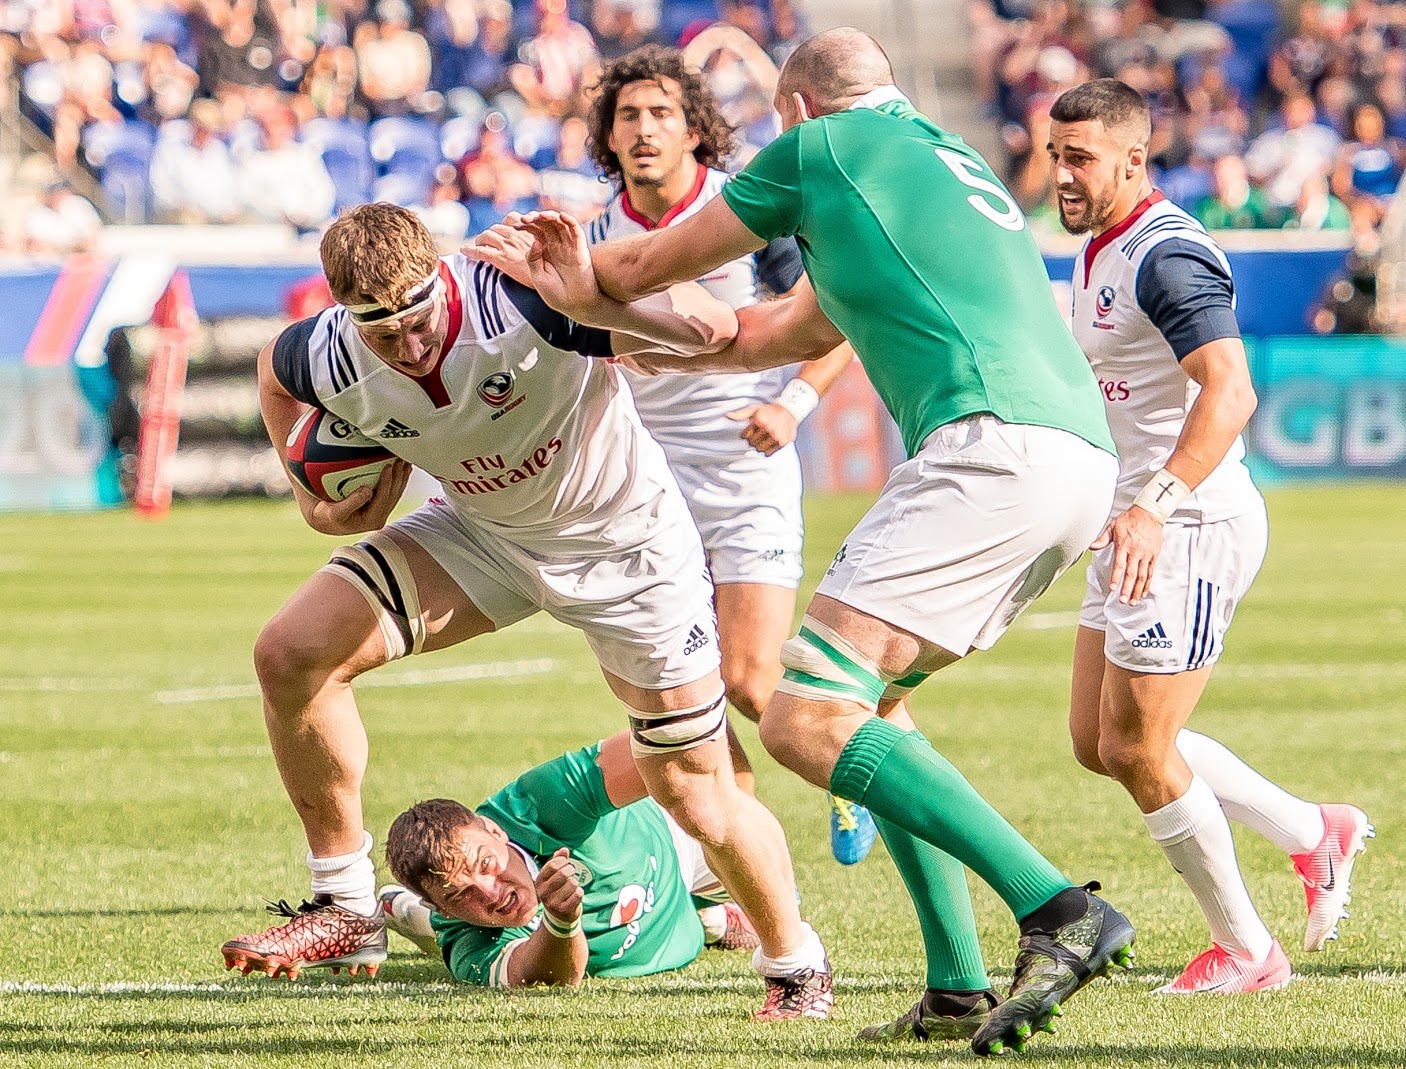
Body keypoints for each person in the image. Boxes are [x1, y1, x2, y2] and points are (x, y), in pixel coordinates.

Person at [519, 27, 1134, 1056]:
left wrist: (572, 288)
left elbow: (653, 260)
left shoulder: (817, 150)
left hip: (991, 447)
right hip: (1069, 458)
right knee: (870, 705)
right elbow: (754, 336)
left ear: (797, 110)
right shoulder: (938, 158)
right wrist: (620, 331)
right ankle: (953, 983)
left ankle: (1056, 906)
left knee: (800, 716)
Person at [219, 202, 832, 1020]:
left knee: (695, 790)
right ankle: (346, 905)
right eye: (380, 330)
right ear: (342, 312)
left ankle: (795, 966)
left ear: (441, 276)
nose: (408, 344)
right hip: (486, 536)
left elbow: (716, 327)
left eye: (418, 316)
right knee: (290, 653)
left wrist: (595, 301)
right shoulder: (324, 352)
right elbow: (274, 370)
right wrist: (316, 499)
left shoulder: (521, 296)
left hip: (628, 552)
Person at [1047, 78, 1374, 993]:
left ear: (1131, 159)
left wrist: (1151, 499)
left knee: (1142, 751)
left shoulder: (1165, 254)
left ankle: (1245, 950)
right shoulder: (1095, 247)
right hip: (1136, 527)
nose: (1062, 175)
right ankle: (1314, 832)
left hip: (1185, 526)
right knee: (1096, 741)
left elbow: (1230, 390)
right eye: (1053, 156)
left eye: (1079, 158)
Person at [582, 44, 871, 864]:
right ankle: (740, 865)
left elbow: (839, 309)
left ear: (694, 132)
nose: (643, 129)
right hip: (645, 485)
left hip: (745, 467)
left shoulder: (744, 212)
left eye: (661, 114)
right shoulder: (593, 235)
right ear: (608, 135)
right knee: (683, 696)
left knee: (748, 679)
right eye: (627, 115)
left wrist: (793, 400)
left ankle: (862, 742)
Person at [378, 731, 762, 988]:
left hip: (672, 844)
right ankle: (710, 919)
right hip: (669, 932)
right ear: (444, 906)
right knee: (454, 934)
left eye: (486, 865)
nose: (491, 893)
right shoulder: (468, 940)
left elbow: (673, 740)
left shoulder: (539, 802)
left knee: (745, 842)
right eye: (460, 895)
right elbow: (547, 980)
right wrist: (561, 920)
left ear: (494, 831)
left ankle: (402, 909)